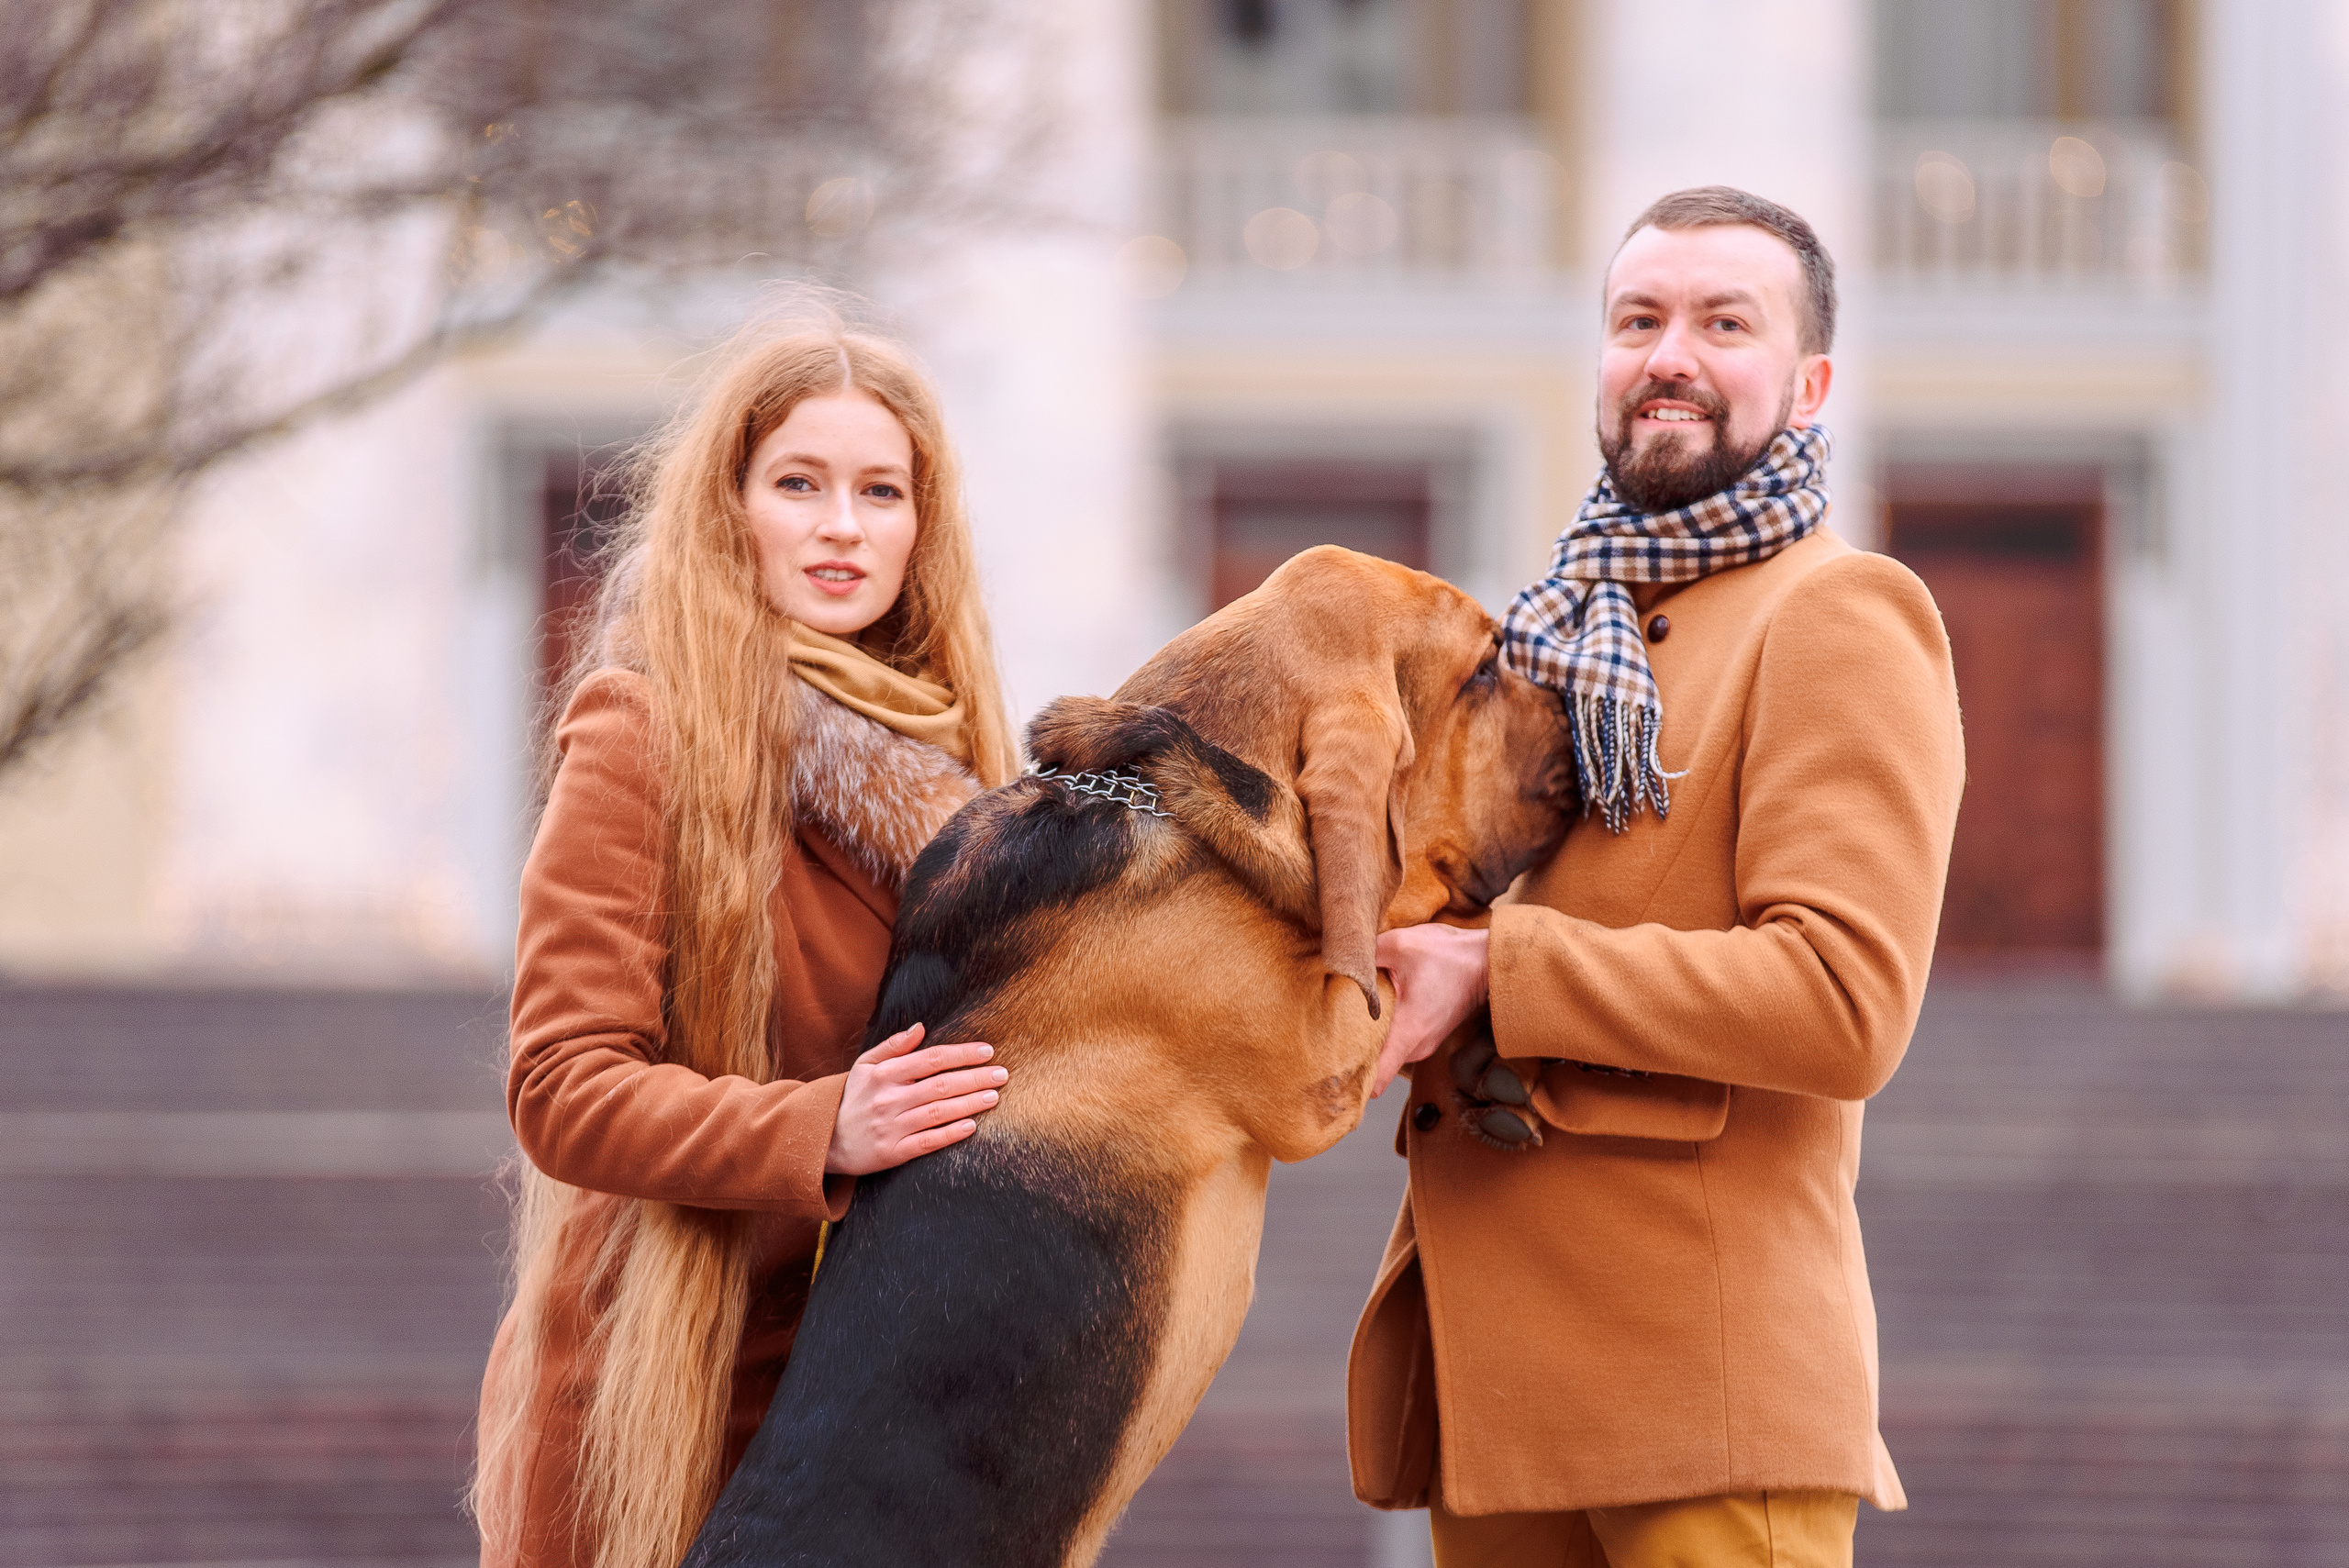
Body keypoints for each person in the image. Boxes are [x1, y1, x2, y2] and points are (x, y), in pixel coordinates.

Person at [1353, 187, 1965, 1567]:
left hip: (1703, 1390)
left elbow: (1843, 998)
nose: (1668, 354)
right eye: (1639, 320)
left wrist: (1497, 969)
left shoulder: (1839, 612)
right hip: (1503, 1394)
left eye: (1722, 323)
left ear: (1808, 385)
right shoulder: (1568, 617)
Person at [469, 315, 1019, 1568]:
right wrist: (820, 1128)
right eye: (799, 484)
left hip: (883, 1394)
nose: (843, 526)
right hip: (656, 1398)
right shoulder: (640, 730)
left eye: (882, 491)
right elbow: (560, 1086)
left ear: (922, 528)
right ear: (732, 509)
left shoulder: (973, 782)